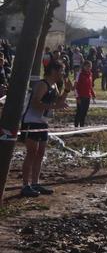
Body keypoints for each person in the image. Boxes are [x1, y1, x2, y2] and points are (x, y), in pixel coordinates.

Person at [20, 60, 71, 198]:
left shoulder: (54, 85)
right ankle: (25, 185)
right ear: (54, 71)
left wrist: (66, 90)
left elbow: (58, 102)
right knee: (32, 152)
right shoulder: (43, 84)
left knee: (40, 152)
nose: (63, 73)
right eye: (62, 70)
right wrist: (55, 107)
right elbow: (36, 103)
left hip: (43, 123)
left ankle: (35, 183)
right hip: (32, 121)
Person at [74, 60, 95, 127]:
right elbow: (75, 87)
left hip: (87, 96)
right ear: (84, 66)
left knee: (84, 113)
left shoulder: (90, 74)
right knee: (79, 113)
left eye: (90, 66)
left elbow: (90, 85)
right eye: (87, 66)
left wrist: (93, 94)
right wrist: (77, 97)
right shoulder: (79, 74)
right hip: (81, 97)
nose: (89, 68)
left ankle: (81, 129)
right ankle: (76, 129)